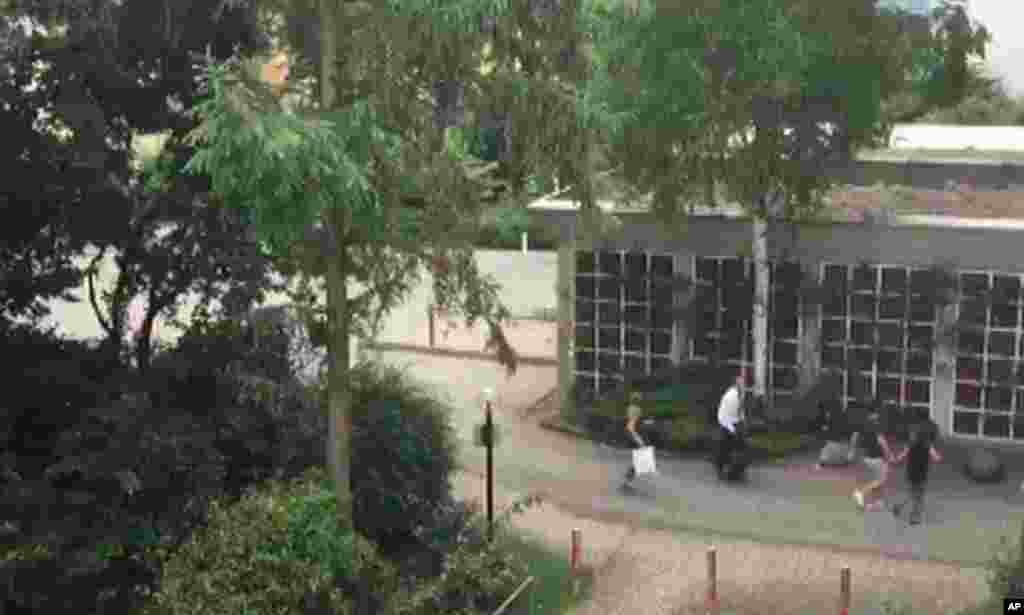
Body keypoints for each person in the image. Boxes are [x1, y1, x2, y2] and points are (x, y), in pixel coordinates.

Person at [890, 417, 943, 525]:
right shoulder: (928, 446)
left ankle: (899, 507)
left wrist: (895, 460)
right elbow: (936, 458)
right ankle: (914, 518)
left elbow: (901, 456)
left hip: (911, 473)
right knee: (919, 497)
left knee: (912, 494)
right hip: (922, 473)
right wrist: (939, 457)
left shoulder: (910, 445)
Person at [851, 409, 896, 511]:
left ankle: (878, 503)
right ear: (874, 414)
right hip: (877, 458)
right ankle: (860, 493)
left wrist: (852, 451)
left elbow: (854, 436)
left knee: (877, 480)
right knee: (881, 480)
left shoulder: (864, 425)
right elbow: (882, 442)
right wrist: (890, 455)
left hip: (867, 458)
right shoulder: (876, 426)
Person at [715, 370, 745, 479]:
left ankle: (736, 470)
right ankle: (721, 469)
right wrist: (734, 429)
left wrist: (741, 423)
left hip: (733, 422)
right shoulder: (731, 396)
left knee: (737, 446)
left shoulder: (739, 394)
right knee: (725, 447)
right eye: (740, 383)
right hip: (726, 422)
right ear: (736, 384)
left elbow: (740, 412)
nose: (743, 384)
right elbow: (728, 415)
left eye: (743, 382)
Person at [623, 392, 646, 489]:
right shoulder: (637, 409)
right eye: (639, 399)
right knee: (641, 453)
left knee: (640, 453)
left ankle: (629, 477)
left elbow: (632, 419)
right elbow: (638, 421)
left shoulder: (629, 408)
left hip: (630, 430)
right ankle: (629, 476)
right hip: (633, 431)